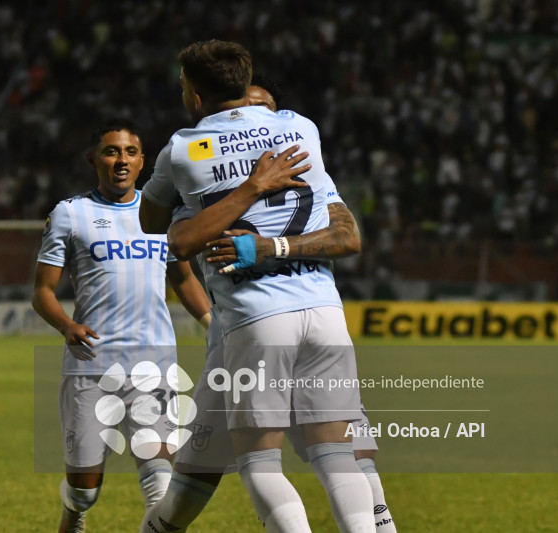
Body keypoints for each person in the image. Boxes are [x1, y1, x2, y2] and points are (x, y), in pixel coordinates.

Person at [139, 77, 397, 533]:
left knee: (347, 457)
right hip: (235, 346)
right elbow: (175, 246)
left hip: (289, 327)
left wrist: (273, 246)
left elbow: (349, 236)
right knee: (185, 492)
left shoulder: (311, 179)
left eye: (267, 113)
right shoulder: (201, 193)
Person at [31, 119, 211, 533]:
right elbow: (42, 291)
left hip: (155, 364)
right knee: (85, 490)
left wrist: (210, 323)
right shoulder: (71, 214)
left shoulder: (161, 214)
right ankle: (73, 515)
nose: (121, 160)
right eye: (111, 151)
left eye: (130, 152)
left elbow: (182, 278)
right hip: (91, 365)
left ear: (143, 160)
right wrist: (66, 325)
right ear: (93, 159)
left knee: (160, 480)